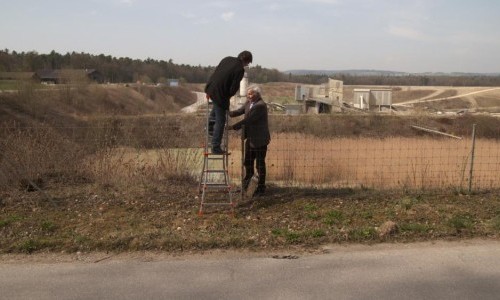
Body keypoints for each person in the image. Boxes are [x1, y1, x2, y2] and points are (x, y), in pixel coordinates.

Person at [205, 50, 253, 154]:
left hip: (211, 88)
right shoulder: (240, 70)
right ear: (246, 61)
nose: (246, 65)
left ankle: (209, 128)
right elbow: (233, 88)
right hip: (220, 94)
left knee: (217, 109)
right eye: (248, 63)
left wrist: (210, 89)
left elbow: (216, 73)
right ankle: (216, 147)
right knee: (220, 121)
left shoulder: (227, 59)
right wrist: (227, 98)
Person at [228, 85, 270, 195]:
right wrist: (227, 112)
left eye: (251, 94)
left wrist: (232, 127)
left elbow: (248, 120)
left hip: (260, 139)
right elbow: (239, 111)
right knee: (248, 162)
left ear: (257, 94)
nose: (249, 96)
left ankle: (261, 188)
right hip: (250, 138)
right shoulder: (248, 103)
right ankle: (246, 187)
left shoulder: (260, 106)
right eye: (248, 94)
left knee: (259, 164)